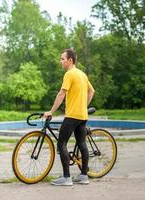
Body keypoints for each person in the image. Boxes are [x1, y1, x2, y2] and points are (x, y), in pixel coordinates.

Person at [44, 48, 95, 186]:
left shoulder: (69, 74)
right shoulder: (82, 74)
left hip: (72, 116)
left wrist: (51, 111)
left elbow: (61, 94)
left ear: (70, 60)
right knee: (82, 144)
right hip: (82, 116)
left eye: (62, 59)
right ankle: (84, 176)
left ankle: (67, 178)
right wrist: (83, 106)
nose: (60, 61)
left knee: (61, 144)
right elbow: (92, 91)